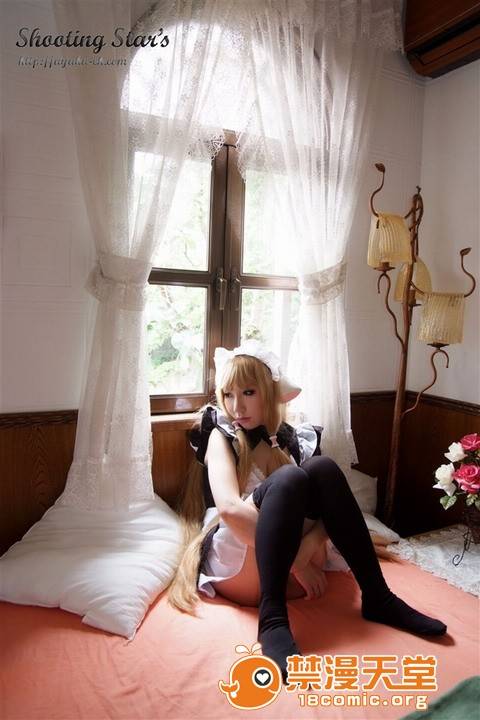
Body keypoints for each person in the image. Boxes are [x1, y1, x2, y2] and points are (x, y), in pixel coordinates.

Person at [168, 340, 446, 681]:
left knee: (322, 469)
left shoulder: (291, 438)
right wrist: (298, 561)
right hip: (243, 565)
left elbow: (330, 512)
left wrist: (306, 549)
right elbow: (229, 510)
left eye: (248, 392)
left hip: (294, 568)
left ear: (269, 393)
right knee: (290, 478)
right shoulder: (222, 436)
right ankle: (272, 620)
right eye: (228, 395)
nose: (236, 406)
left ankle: (379, 597)